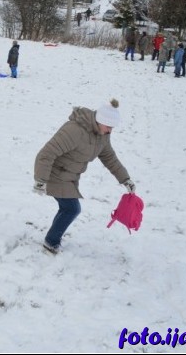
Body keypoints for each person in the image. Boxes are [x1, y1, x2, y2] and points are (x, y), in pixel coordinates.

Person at [33, 99, 135, 254]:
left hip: (70, 177)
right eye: (108, 126)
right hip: (54, 173)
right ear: (100, 121)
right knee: (72, 209)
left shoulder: (102, 135)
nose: (110, 131)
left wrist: (125, 179)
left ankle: (52, 237)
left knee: (66, 208)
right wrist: (40, 180)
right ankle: (51, 242)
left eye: (112, 127)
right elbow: (46, 154)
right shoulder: (74, 131)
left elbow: (110, 158)